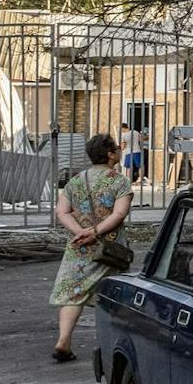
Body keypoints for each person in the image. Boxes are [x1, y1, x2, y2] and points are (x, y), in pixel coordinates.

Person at [50, 132, 132, 363]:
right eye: (116, 148)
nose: (118, 150)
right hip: (109, 247)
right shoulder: (119, 181)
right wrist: (95, 233)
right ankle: (118, 344)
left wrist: (80, 232)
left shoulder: (75, 181)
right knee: (114, 291)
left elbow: (62, 212)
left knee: (73, 294)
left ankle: (63, 340)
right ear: (109, 154)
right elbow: (119, 213)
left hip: (78, 247)